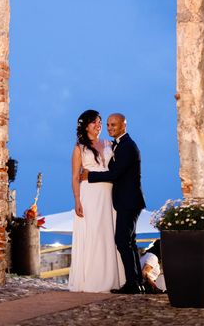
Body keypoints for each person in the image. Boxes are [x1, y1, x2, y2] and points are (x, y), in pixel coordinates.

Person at [81, 113, 146, 294]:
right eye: (108, 125)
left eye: (114, 125)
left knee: (122, 241)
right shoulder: (119, 145)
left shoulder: (127, 147)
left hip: (129, 200)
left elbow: (115, 174)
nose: (110, 128)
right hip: (126, 200)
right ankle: (137, 282)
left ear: (124, 126)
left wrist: (90, 175)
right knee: (129, 241)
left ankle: (133, 283)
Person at [68, 110, 125, 292]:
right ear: (86, 126)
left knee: (109, 234)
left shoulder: (109, 144)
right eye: (94, 122)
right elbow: (75, 177)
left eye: (100, 122)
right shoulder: (79, 148)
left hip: (109, 195)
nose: (99, 125)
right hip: (89, 196)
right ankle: (92, 279)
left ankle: (112, 279)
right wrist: (77, 200)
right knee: (93, 234)